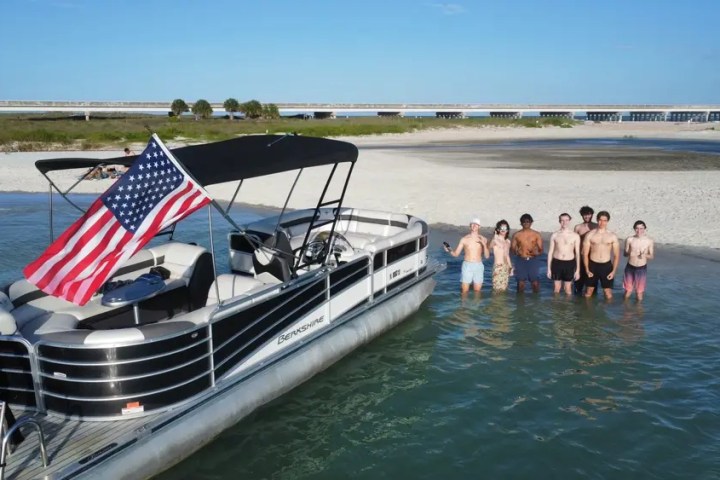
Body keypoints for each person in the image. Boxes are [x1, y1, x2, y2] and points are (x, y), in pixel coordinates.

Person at [444, 217, 489, 294]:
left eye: (476, 224)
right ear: (470, 226)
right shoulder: (464, 239)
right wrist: (449, 250)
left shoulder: (484, 239)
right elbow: (456, 254)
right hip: (467, 265)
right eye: (472, 224)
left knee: (477, 292)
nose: (474, 226)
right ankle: (463, 306)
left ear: (479, 226)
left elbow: (487, 256)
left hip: (478, 265)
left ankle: (476, 306)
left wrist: (484, 244)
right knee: (464, 292)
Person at [582, 210, 620, 299]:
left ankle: (607, 311)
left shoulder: (612, 236)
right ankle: (587, 312)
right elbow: (585, 254)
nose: (602, 222)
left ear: (607, 221)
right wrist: (587, 269)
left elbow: (616, 256)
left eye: (604, 220)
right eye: (600, 220)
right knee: (588, 292)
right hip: (592, 265)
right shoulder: (590, 235)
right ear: (597, 220)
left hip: (606, 266)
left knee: (608, 293)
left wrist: (613, 271)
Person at [547, 213, 581, 295]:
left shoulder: (575, 236)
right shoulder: (555, 235)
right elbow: (550, 252)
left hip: (569, 263)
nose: (564, 222)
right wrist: (548, 269)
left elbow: (577, 254)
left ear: (569, 221)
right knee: (556, 288)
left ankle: (568, 307)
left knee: (568, 289)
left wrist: (577, 270)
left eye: (566, 220)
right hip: (557, 263)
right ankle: (555, 306)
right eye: (562, 220)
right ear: (559, 221)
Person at [511, 213, 543, 293]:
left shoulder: (536, 235)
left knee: (535, 282)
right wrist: (516, 251)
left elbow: (541, 249)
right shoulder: (516, 235)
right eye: (524, 222)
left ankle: (535, 301)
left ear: (531, 222)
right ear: (521, 223)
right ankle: (520, 303)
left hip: (533, 260)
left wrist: (536, 253)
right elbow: (512, 249)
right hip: (520, 260)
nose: (526, 223)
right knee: (520, 283)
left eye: (528, 222)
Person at [623, 220, 655, 301]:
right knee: (627, 291)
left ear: (645, 229)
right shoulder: (629, 239)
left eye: (641, 228)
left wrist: (644, 255)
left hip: (641, 268)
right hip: (630, 267)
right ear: (634, 229)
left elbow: (651, 256)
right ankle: (625, 310)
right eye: (637, 228)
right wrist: (629, 252)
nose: (639, 230)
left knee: (639, 293)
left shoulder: (649, 240)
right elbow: (625, 254)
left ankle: (639, 311)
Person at [573, 206, 597, 295]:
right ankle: (577, 301)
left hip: (593, 257)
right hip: (581, 257)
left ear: (592, 215)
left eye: (589, 215)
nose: (587, 217)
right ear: (582, 216)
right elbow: (574, 243)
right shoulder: (578, 227)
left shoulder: (596, 226)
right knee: (578, 281)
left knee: (592, 281)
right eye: (585, 215)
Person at [489, 219, 513, 292]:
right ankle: (495, 303)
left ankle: (501, 303)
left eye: (505, 228)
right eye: (501, 228)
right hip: (498, 267)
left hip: (505, 268)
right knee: (497, 290)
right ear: (498, 229)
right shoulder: (495, 240)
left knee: (504, 290)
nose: (503, 230)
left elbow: (507, 255)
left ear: (507, 230)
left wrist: (511, 268)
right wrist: (495, 238)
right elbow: (490, 246)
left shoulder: (508, 241)